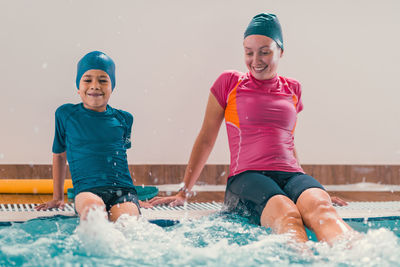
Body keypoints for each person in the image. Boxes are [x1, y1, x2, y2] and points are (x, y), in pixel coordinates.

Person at [150, 13, 353, 243]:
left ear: (281, 51)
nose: (256, 59)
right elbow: (206, 138)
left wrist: (311, 190)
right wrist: (183, 192)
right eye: (249, 52)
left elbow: (287, 141)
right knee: (288, 216)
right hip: (246, 178)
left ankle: (360, 258)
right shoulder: (229, 83)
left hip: (292, 175)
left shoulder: (293, 88)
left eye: (264, 51)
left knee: (323, 211)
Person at [36, 51, 141, 222]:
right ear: (78, 86)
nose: (95, 85)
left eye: (103, 80)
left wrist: (135, 201)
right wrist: (57, 197)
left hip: (124, 191)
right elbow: (60, 155)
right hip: (87, 190)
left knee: (127, 222)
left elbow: (121, 159)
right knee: (94, 215)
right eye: (87, 80)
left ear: (112, 86)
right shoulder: (66, 114)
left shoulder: (125, 119)